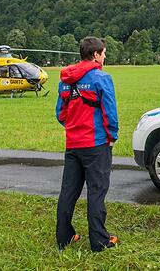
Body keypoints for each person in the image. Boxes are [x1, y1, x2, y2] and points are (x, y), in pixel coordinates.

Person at [55, 37, 120, 251]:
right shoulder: (101, 78)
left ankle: (64, 238)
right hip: (96, 145)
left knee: (68, 192)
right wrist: (112, 136)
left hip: (73, 145)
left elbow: (60, 114)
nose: (105, 57)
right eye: (103, 53)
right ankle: (100, 241)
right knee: (96, 192)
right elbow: (109, 111)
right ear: (95, 55)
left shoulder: (65, 80)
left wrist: (74, 126)